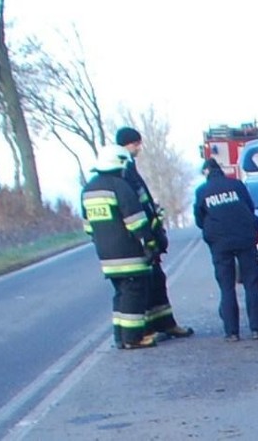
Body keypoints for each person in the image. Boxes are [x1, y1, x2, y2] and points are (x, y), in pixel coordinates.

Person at [115, 126, 194, 340]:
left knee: (157, 280)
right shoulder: (122, 169)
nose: (139, 148)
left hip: (147, 231)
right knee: (145, 286)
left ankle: (165, 323)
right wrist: (146, 235)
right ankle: (146, 330)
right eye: (136, 143)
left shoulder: (129, 167)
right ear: (128, 144)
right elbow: (131, 206)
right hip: (138, 237)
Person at [81, 145, 159, 349]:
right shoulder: (120, 186)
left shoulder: (88, 190)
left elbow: (88, 227)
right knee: (134, 293)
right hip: (129, 253)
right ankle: (133, 338)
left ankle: (120, 337)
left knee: (121, 294)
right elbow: (136, 221)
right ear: (121, 164)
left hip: (106, 255)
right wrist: (150, 242)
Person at [193, 157, 258, 341]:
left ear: (206, 172)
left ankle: (231, 332)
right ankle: (257, 329)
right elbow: (250, 207)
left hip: (220, 243)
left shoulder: (202, 191)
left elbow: (199, 219)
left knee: (227, 288)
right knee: (251, 284)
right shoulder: (237, 185)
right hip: (245, 239)